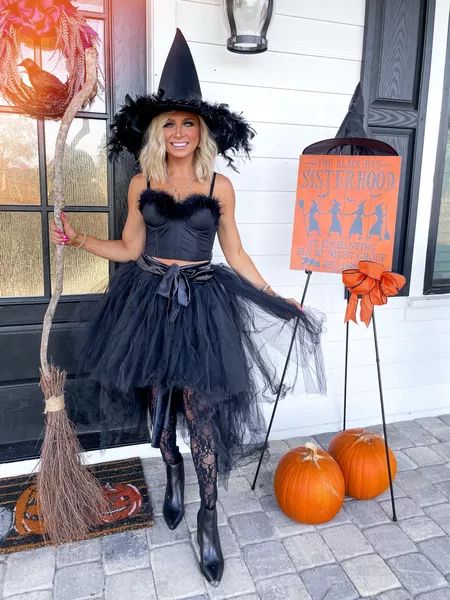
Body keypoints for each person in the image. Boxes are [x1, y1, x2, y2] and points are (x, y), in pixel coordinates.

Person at [51, 30, 326, 586]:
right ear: (158, 131)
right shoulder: (141, 182)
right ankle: (170, 471)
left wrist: (271, 294)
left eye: (188, 123)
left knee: (201, 414)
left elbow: (236, 250)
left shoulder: (219, 185)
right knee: (157, 418)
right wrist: (79, 241)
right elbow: (131, 247)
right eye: (169, 123)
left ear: (201, 131)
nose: (179, 132)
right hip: (148, 303)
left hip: (202, 305)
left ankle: (207, 517)